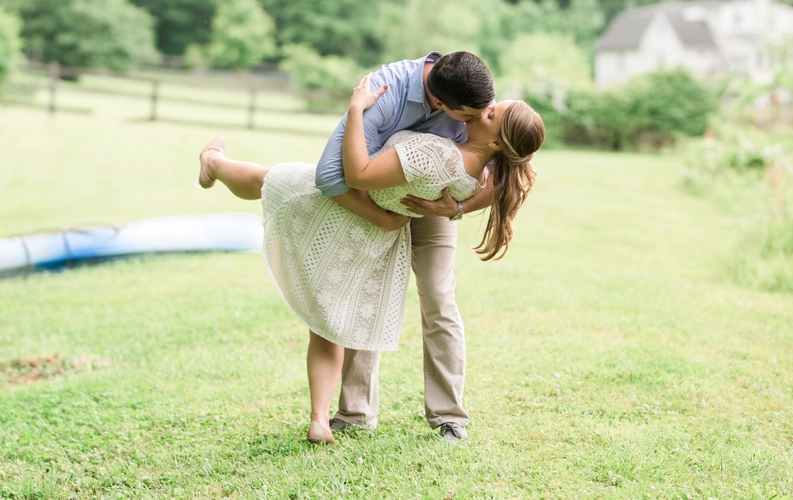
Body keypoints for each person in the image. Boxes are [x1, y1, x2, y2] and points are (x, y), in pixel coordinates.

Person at [197, 59, 545, 444]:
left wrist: (459, 207)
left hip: (433, 206)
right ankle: (355, 412)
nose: (483, 111)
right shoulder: (388, 90)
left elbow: (514, 167)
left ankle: (449, 417)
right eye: (479, 111)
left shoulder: (473, 91)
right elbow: (333, 175)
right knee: (366, 291)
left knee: (439, 298)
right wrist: (379, 217)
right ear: (441, 103)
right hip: (376, 199)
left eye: (490, 109)